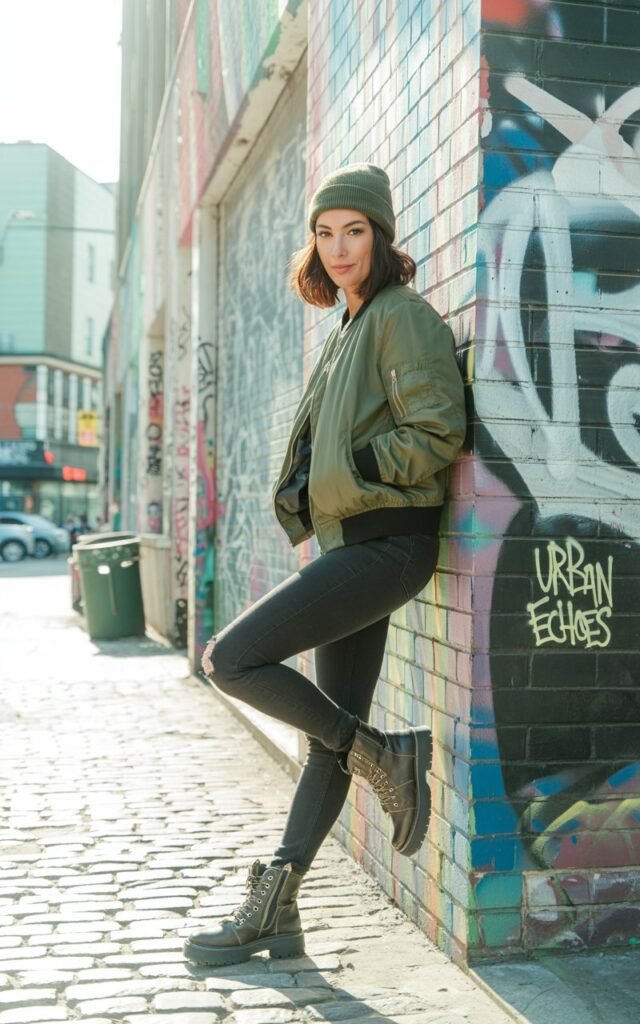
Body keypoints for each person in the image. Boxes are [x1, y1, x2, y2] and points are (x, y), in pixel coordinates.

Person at [183, 164, 467, 967]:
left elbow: (437, 430)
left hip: (390, 545)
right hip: (355, 546)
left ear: (381, 236)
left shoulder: (401, 316)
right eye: (325, 233)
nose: (339, 248)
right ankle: (279, 908)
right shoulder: (350, 323)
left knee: (231, 659)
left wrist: (351, 473)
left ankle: (379, 752)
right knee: (327, 739)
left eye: (355, 231)